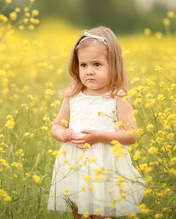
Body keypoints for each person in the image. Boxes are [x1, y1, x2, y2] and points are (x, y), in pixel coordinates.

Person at [47, 27, 146, 218]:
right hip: (75, 164)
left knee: (103, 214)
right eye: (83, 65)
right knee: (78, 211)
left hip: (105, 166)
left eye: (97, 65)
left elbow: (131, 135)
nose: (89, 71)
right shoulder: (72, 96)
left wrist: (99, 136)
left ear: (114, 66)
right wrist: (63, 134)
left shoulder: (118, 97)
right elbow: (57, 126)